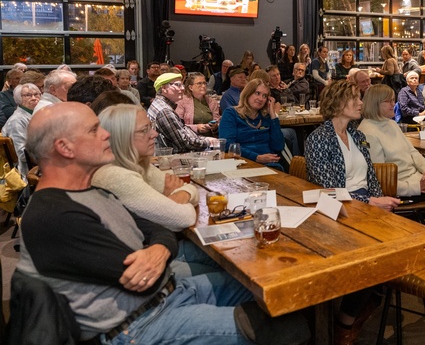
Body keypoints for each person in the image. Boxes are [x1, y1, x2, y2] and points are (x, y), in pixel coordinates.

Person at [17, 102, 309, 345]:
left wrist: (158, 248)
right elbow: (145, 278)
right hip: (139, 324)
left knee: (274, 290)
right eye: (94, 130)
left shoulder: (89, 188)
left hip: (168, 293)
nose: (107, 134)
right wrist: (161, 245)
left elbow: (154, 231)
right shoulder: (53, 217)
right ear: (65, 148)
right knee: (288, 327)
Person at [305, 80, 399, 344]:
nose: (361, 103)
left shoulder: (357, 135)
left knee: (397, 245)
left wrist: (380, 200)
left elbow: (371, 177)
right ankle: (345, 321)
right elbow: (328, 189)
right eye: (355, 98)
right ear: (337, 103)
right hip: (339, 213)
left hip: (367, 208)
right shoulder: (318, 139)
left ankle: (366, 302)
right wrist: (371, 202)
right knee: (373, 253)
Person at [92, 104, 200, 233]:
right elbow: (184, 218)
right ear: (122, 136)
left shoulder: (139, 164)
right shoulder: (116, 176)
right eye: (144, 130)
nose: (154, 134)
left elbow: (189, 188)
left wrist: (181, 194)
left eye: (151, 126)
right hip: (142, 251)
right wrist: (175, 198)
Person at [360, 85, 425, 200]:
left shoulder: (390, 123)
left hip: (417, 178)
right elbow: (381, 178)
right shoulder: (368, 133)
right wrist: (417, 187)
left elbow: (412, 151)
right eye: (388, 101)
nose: (393, 104)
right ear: (375, 104)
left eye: (393, 100)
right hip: (404, 189)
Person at [219, 79, 285, 169]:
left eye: (264, 96)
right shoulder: (231, 113)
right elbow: (228, 145)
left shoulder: (266, 117)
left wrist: (273, 115)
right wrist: (256, 157)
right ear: (248, 93)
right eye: (257, 93)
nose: (261, 99)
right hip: (241, 163)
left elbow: (278, 146)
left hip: (269, 165)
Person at [148, 73, 216, 153]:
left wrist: (203, 138)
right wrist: (208, 141)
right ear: (164, 88)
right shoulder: (165, 111)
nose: (183, 88)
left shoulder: (160, 104)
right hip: (171, 158)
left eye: (182, 85)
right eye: (178, 85)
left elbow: (183, 131)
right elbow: (183, 143)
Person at [2, 83, 40, 177]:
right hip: (24, 173)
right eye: (28, 95)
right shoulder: (17, 121)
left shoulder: (36, 114)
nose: (34, 98)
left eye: (36, 94)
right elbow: (22, 154)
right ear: (19, 98)